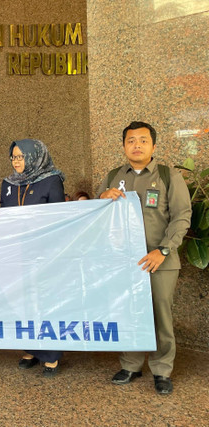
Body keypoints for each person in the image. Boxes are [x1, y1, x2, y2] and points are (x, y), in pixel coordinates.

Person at [98, 121, 191, 395]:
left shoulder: (167, 175)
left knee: (161, 316)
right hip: (124, 262)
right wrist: (102, 197)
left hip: (160, 261)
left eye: (142, 140)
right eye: (130, 140)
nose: (136, 145)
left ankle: (162, 370)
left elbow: (182, 216)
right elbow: (99, 215)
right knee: (129, 313)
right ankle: (131, 365)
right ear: (124, 145)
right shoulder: (114, 176)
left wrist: (162, 250)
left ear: (153, 145)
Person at [0, 138, 65, 377]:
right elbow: (1, 215)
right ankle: (30, 349)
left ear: (34, 156)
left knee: (46, 302)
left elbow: (59, 218)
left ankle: (51, 355)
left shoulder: (51, 180)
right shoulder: (8, 183)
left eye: (21, 156)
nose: (17, 161)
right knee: (23, 301)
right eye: (14, 157)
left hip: (45, 253)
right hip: (18, 254)